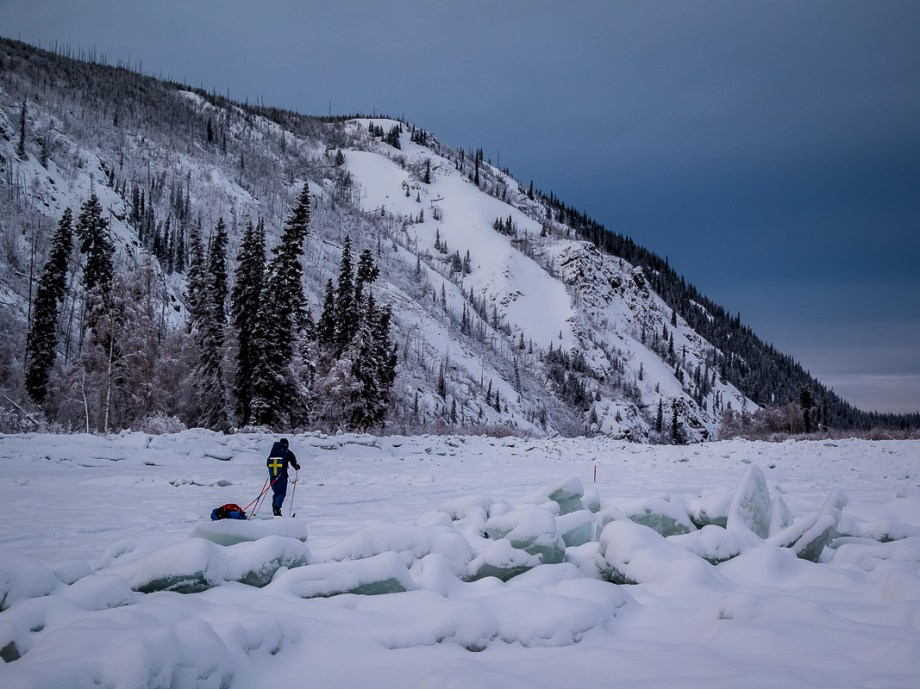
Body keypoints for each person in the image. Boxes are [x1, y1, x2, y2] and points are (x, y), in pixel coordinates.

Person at [266, 437, 300, 517]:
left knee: (276, 493)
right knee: (281, 493)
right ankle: (277, 509)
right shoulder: (287, 452)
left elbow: (267, 463)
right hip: (282, 476)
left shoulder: (273, 451)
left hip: (272, 476)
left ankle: (275, 511)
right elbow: (293, 462)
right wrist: (296, 467)